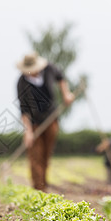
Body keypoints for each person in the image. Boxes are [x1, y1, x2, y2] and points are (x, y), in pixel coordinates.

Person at [16, 52, 75, 191]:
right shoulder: (22, 83)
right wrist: (28, 131)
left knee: (46, 156)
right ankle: (39, 190)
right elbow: (23, 109)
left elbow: (61, 77)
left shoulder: (49, 70)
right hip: (35, 123)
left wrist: (66, 94)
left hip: (51, 118)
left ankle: (44, 185)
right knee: (36, 156)